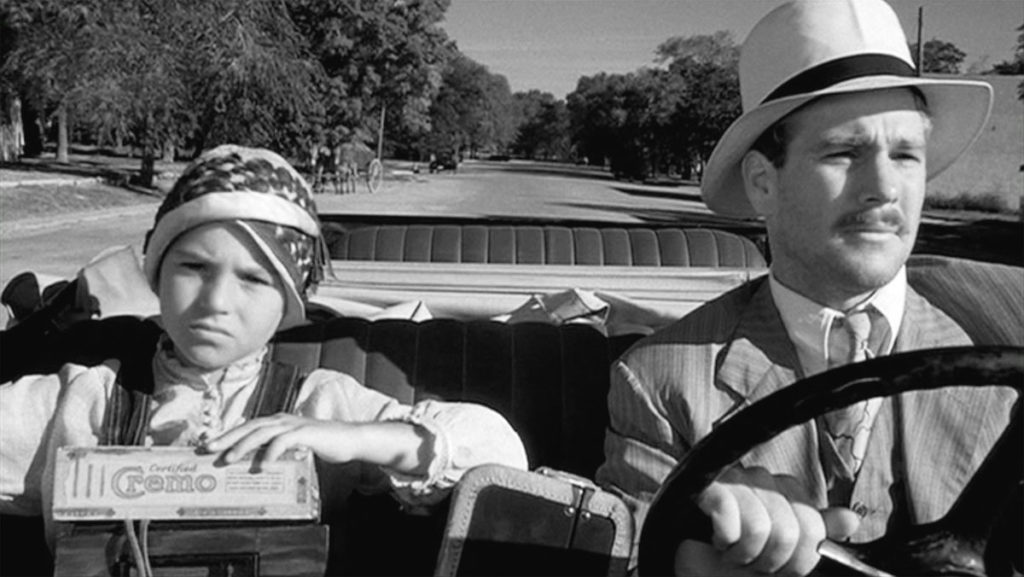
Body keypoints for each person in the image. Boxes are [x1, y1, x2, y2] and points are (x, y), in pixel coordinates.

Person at [594, 0, 1018, 575]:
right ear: (764, 184)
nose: (884, 188)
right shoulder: (660, 382)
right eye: (844, 152)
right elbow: (635, 555)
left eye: (906, 155)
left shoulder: (1002, 364)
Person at [0, 145, 528, 553]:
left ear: (290, 306)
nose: (216, 301)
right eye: (194, 267)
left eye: (254, 279)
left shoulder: (318, 405)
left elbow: (496, 455)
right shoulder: (84, 398)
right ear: (157, 277)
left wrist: (351, 438)